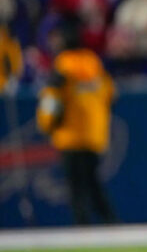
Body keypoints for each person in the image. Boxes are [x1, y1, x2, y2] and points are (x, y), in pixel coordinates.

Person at [36, 17, 118, 225]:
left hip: (70, 135)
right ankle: (111, 222)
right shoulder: (93, 62)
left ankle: (83, 226)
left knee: (76, 186)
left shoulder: (63, 64)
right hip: (93, 134)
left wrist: (47, 122)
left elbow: (52, 97)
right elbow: (110, 93)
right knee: (92, 183)